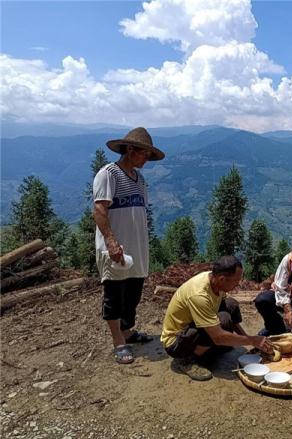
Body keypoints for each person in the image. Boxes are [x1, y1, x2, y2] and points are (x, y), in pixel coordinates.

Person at [93, 127, 165, 364]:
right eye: (145, 154)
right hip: (115, 247)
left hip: (137, 248)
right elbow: (100, 209)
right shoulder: (109, 174)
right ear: (131, 150)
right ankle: (118, 342)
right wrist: (111, 243)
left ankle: (128, 331)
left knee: (133, 293)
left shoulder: (139, 179)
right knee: (114, 293)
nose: (147, 159)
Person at [161, 255, 274, 381]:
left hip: (193, 327)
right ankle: (189, 360)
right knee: (223, 320)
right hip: (176, 342)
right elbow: (218, 336)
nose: (238, 284)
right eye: (236, 281)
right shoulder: (199, 295)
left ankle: (210, 348)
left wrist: (250, 341)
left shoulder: (215, 281)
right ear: (221, 279)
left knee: (231, 305)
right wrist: (253, 340)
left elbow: (227, 307)